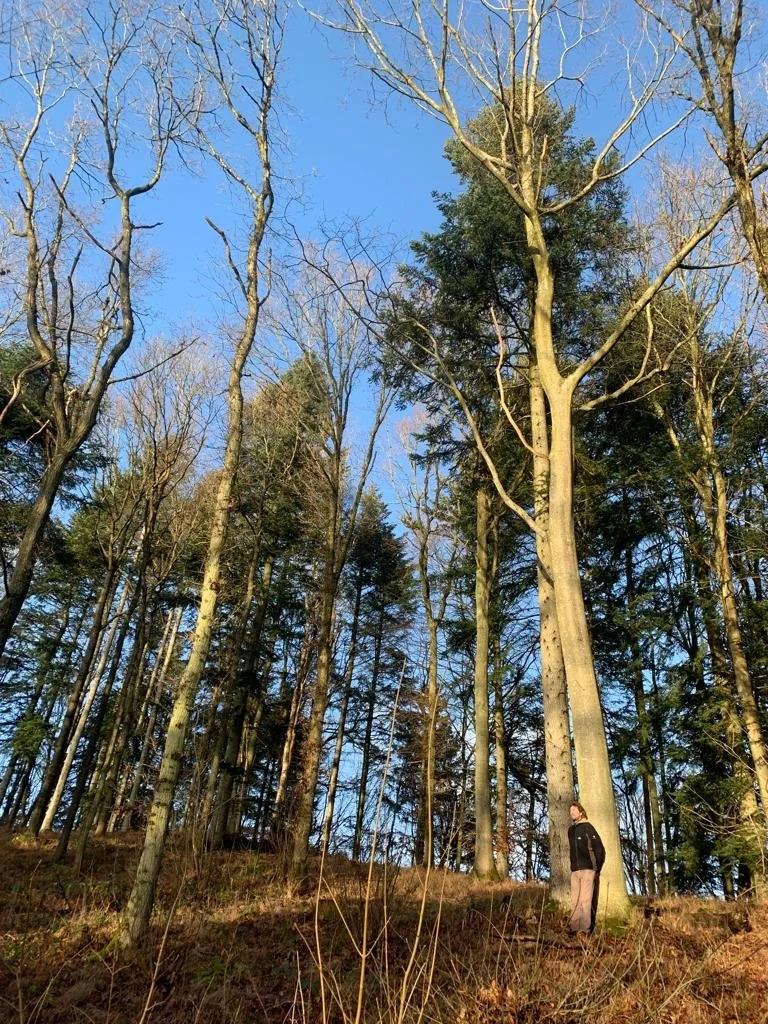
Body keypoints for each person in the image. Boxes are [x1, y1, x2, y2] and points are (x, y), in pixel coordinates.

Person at [567, 801, 605, 935]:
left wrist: (597, 869)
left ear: (581, 812)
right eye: (570, 811)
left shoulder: (588, 827)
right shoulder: (571, 830)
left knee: (585, 900)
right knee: (574, 900)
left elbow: (599, 849)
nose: (571, 812)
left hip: (588, 869)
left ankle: (584, 930)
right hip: (575, 870)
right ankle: (574, 928)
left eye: (574, 810)